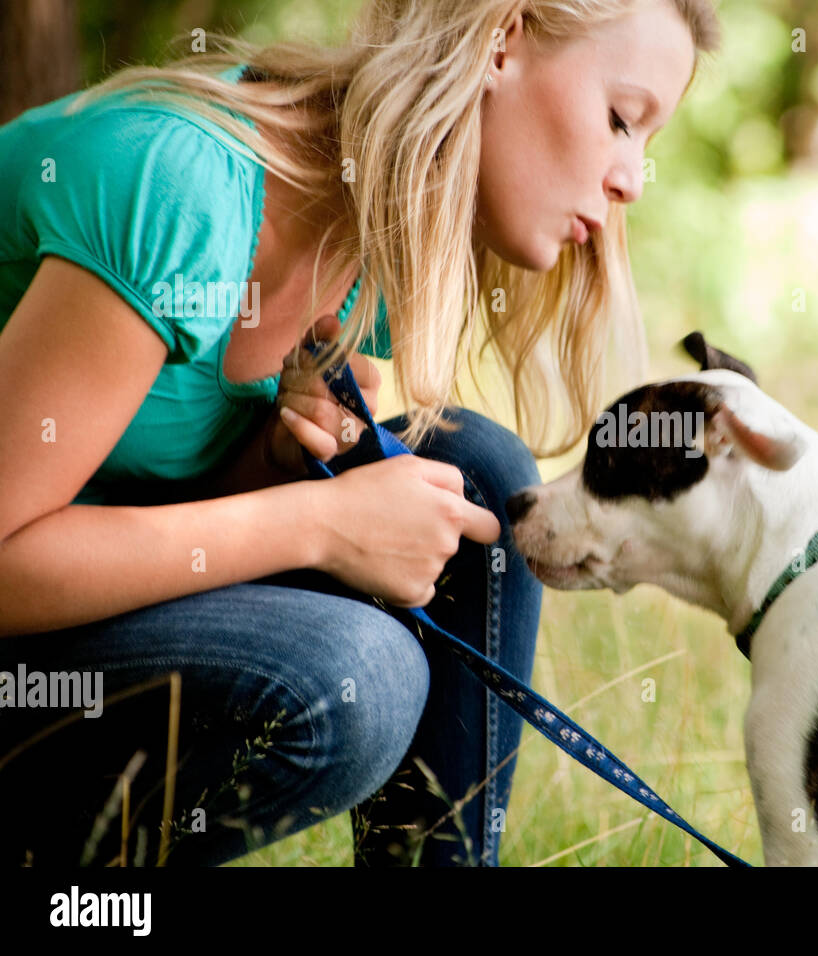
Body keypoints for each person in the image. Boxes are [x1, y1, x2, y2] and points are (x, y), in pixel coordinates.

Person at [0, 0, 719, 867]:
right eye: (619, 119)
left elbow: (136, 491)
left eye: (647, 146)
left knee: (478, 472)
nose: (633, 179)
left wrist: (271, 460)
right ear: (503, 40)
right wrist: (316, 524)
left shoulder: (376, 240)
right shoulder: (179, 181)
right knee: (358, 676)